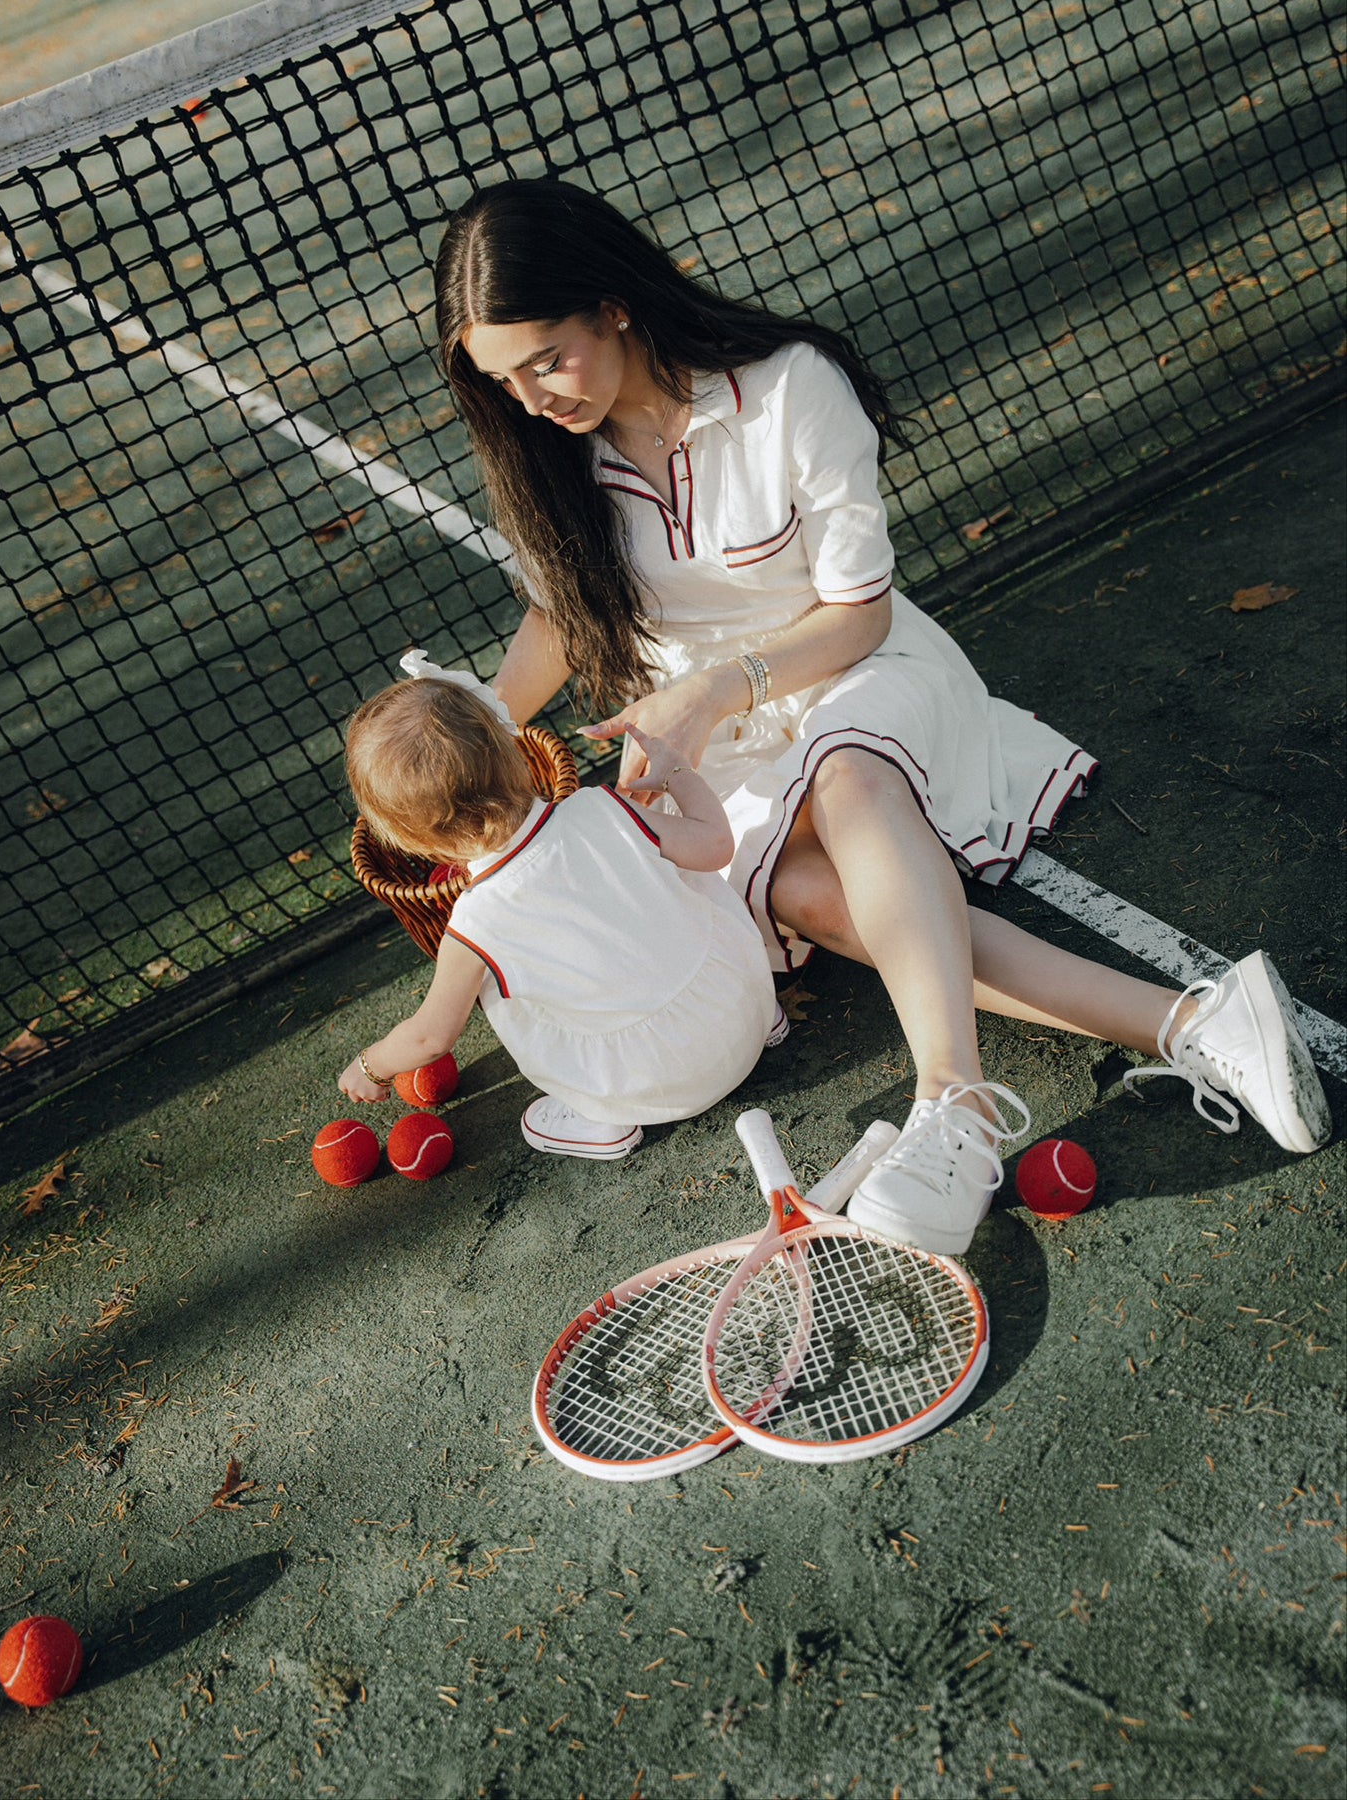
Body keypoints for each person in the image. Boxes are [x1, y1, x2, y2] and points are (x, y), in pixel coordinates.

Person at [427, 176, 1330, 1252]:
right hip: (724, 748)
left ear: (611, 303)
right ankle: (1197, 1022)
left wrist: (713, 689)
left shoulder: (795, 386)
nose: (532, 397)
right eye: (504, 378)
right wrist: (465, 726)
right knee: (804, 891)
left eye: (546, 360)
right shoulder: (545, 450)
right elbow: (560, 618)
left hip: (862, 673)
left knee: (851, 772)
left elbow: (856, 615)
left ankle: (952, 1105)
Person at [337, 654, 784, 1159]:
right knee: (674, 884)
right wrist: (675, 772)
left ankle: (603, 1119)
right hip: (742, 1003)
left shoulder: (474, 923)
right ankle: (762, 1021)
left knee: (502, 990)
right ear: (514, 752)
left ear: (415, 841)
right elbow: (715, 846)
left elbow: (430, 1038)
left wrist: (371, 1066)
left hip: (656, 1081)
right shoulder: (603, 806)